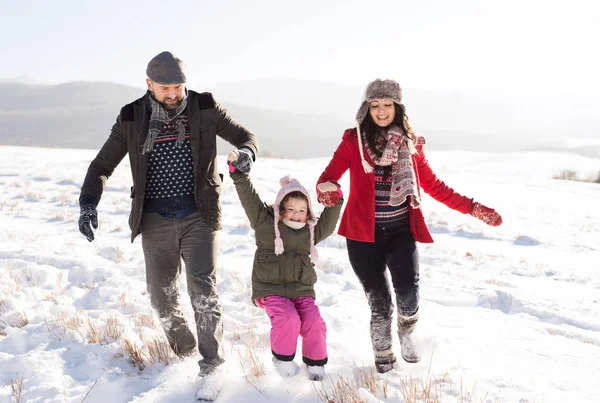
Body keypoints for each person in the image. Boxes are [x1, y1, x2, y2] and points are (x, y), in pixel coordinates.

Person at [78, 51, 259, 377]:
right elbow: (102, 166)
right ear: (149, 84)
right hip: (154, 220)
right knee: (162, 300)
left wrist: (246, 153)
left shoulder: (204, 108)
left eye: (178, 86)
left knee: (202, 291)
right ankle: (186, 351)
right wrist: (88, 203)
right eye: (166, 88)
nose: (174, 94)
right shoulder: (131, 117)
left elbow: (246, 137)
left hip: (199, 215)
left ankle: (212, 367)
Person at [315, 78, 502, 374]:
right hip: (362, 237)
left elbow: (434, 186)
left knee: (408, 294)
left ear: (397, 107)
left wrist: (472, 208)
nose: (381, 110)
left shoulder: (410, 145)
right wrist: (328, 192)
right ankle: (384, 361)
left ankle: (407, 331)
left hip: (400, 233)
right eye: (375, 105)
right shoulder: (354, 141)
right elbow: (328, 178)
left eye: (387, 104)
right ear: (366, 108)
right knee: (379, 303)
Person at [228, 151, 343, 381]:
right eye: (291, 208)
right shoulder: (265, 224)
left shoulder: (311, 231)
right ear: (280, 208)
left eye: (302, 210)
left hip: (301, 291)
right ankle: (282, 358)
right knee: (288, 319)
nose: (297, 215)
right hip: (271, 290)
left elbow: (328, 225)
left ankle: (316, 364)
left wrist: (335, 200)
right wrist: (239, 174)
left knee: (313, 320)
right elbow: (250, 200)